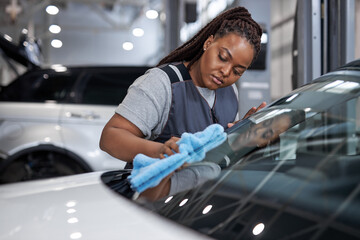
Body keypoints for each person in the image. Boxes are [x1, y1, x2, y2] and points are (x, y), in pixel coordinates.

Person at [99, 6, 266, 168]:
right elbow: (110, 137)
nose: (226, 72)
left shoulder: (230, 91)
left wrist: (240, 133)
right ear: (208, 43)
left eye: (237, 71)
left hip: (199, 193)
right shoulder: (163, 83)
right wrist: (162, 151)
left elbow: (215, 149)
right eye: (222, 57)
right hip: (154, 192)